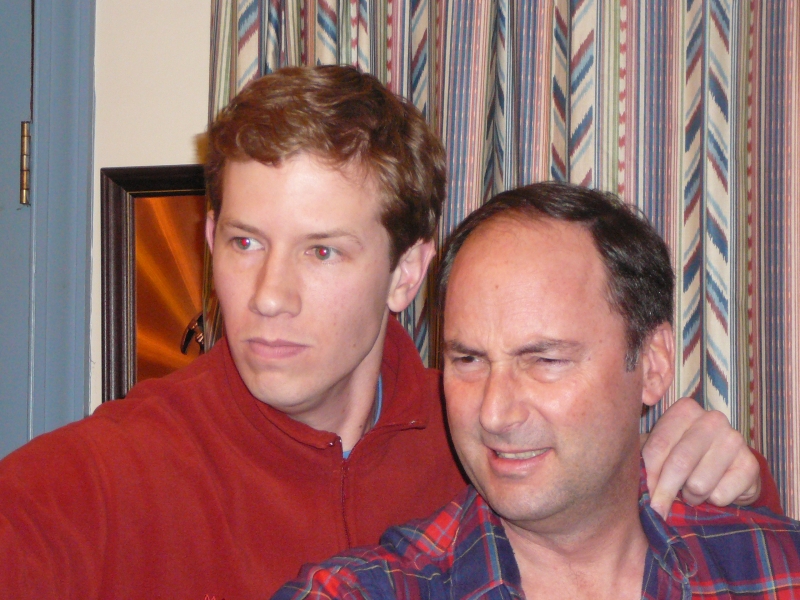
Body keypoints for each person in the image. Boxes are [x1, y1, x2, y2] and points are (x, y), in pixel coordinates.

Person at [0, 68, 779, 598]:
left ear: (407, 274)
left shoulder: (502, 435)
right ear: (209, 242)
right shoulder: (87, 483)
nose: (268, 296)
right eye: (245, 243)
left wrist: (732, 480)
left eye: (322, 251)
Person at [274, 182, 800, 600]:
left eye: (545, 361)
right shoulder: (362, 591)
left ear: (654, 364)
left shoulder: (772, 568)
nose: (495, 414)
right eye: (468, 360)